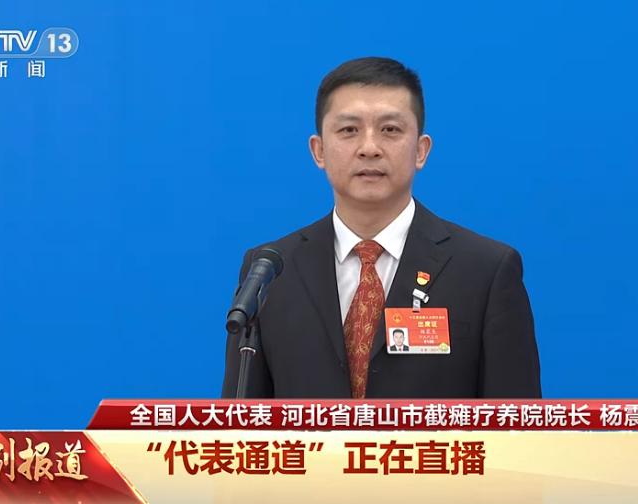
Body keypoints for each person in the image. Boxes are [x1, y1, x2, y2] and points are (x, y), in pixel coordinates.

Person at [222, 57, 541, 399]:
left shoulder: (485, 271)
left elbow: (517, 422)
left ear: (421, 150)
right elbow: (242, 419)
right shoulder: (271, 270)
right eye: (349, 130)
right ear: (319, 151)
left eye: (390, 130)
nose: (369, 148)